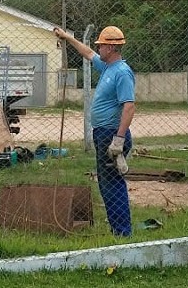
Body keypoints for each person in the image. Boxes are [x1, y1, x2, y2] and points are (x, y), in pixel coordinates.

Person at [53, 25, 135, 237]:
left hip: (111, 134)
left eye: (101, 45)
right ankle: (117, 228)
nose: (97, 48)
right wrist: (67, 37)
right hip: (103, 133)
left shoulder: (122, 73)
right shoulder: (108, 67)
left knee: (112, 183)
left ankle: (122, 232)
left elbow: (129, 106)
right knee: (107, 182)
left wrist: (118, 140)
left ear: (110, 47)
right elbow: (87, 52)